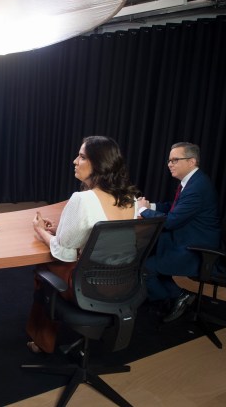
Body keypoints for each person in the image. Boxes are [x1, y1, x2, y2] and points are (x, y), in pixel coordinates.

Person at [26, 136, 140, 354]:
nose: (74, 161)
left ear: (98, 163)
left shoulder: (82, 199)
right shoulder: (130, 198)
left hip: (87, 285)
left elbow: (65, 253)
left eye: (82, 157)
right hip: (123, 283)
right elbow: (101, 236)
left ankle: (42, 342)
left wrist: (40, 232)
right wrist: (61, 229)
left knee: (45, 270)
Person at [137, 142, 220, 323]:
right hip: (189, 237)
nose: (169, 164)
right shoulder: (192, 181)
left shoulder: (197, 188)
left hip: (195, 246)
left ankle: (170, 298)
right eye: (169, 160)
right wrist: (150, 206)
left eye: (175, 160)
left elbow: (172, 221)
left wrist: (143, 212)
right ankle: (178, 296)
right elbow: (174, 208)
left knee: (144, 268)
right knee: (148, 255)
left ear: (192, 161)